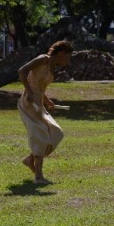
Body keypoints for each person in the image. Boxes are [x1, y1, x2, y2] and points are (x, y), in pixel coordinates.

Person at [18, 40, 73, 184]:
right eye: (68, 56)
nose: (68, 60)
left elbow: (40, 85)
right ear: (61, 53)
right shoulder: (43, 59)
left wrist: (47, 101)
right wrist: (29, 92)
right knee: (40, 135)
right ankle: (38, 177)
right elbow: (22, 71)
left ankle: (30, 159)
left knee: (56, 133)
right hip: (29, 103)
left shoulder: (52, 67)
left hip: (39, 104)